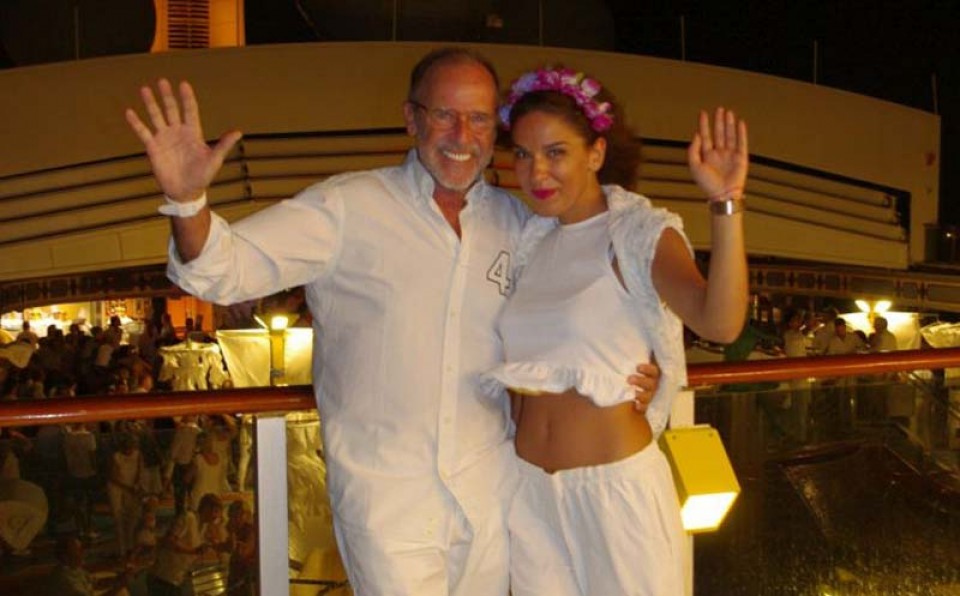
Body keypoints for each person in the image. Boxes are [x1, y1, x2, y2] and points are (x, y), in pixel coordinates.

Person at [125, 47, 660, 593]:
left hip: (492, 493)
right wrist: (187, 202)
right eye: (444, 114)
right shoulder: (348, 207)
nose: (462, 135)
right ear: (411, 118)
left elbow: (583, 297)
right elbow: (221, 271)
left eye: (478, 119)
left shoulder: (520, 222)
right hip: (389, 507)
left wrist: (641, 365)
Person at [483, 66, 748, 594]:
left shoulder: (638, 233)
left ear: (596, 153)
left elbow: (720, 322)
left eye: (556, 152)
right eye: (524, 154)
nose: (537, 171)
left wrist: (725, 203)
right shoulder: (529, 242)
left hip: (615, 492)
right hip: (530, 493)